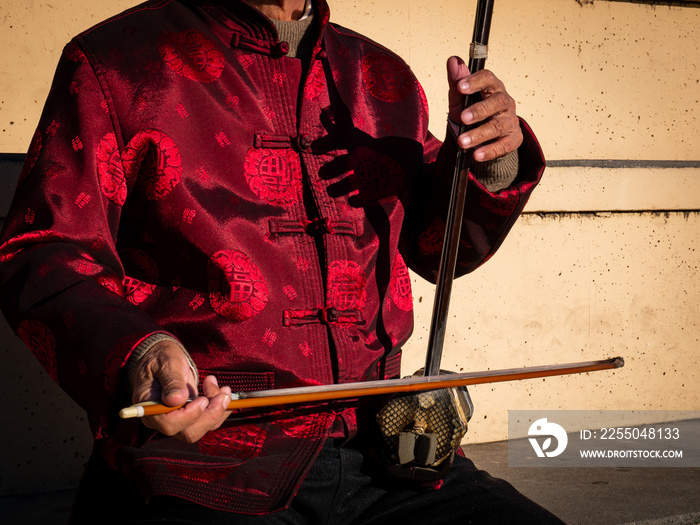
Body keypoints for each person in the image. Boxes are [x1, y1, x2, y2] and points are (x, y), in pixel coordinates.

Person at [0, 0, 560, 523]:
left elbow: (440, 250)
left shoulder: (380, 75)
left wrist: (493, 162)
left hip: (390, 452)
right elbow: (44, 250)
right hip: (200, 463)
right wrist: (140, 353)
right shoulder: (116, 63)